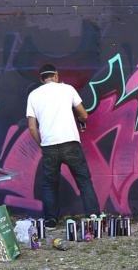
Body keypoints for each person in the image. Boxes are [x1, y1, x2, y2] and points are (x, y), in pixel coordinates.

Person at [26, 64, 100, 228]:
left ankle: (51, 219)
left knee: (50, 185)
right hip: (70, 143)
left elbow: (32, 127)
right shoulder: (68, 89)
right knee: (84, 181)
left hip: (49, 146)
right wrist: (81, 120)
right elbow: (84, 114)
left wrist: (41, 146)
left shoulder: (34, 95)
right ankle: (93, 216)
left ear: (42, 79)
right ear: (56, 76)